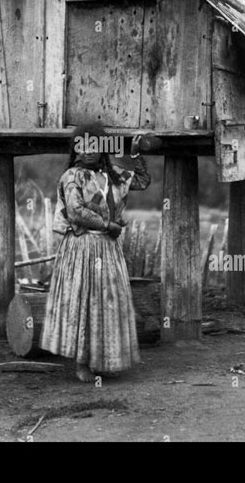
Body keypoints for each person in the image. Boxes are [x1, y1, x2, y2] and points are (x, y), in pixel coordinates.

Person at [40, 122, 151, 382]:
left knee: (107, 302)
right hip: (82, 247)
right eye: (82, 146)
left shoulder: (112, 176)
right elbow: (76, 210)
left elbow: (143, 181)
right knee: (83, 302)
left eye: (93, 146)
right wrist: (107, 225)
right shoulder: (72, 177)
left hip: (108, 248)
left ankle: (101, 360)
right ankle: (81, 365)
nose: (88, 152)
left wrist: (134, 154)